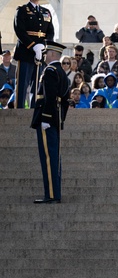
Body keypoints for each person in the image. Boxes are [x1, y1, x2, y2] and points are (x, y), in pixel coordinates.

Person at [30, 41, 70, 204]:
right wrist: (60, 119)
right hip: (55, 118)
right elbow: (64, 101)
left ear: (53, 54)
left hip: (47, 119)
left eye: (46, 53)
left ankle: (52, 195)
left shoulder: (51, 71)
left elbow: (49, 96)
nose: (44, 56)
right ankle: (54, 193)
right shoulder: (61, 72)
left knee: (48, 158)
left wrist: (46, 118)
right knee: (53, 157)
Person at [13, 0, 56, 111]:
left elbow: (50, 32)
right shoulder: (22, 10)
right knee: (23, 84)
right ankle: (19, 110)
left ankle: (34, 110)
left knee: (37, 84)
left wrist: (43, 46)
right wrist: (33, 46)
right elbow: (19, 30)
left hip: (40, 53)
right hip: (26, 52)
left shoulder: (46, 12)